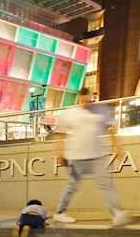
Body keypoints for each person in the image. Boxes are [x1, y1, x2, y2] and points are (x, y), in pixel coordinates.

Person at [52, 88, 131, 226]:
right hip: (76, 157)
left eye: (87, 101)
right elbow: (59, 133)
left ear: (91, 98)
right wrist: (59, 152)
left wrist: (118, 147)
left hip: (97, 156)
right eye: (82, 101)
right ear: (78, 100)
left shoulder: (101, 110)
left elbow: (109, 129)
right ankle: (59, 213)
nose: (85, 104)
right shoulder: (70, 113)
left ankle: (117, 212)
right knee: (71, 186)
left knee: (107, 184)